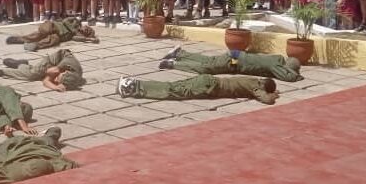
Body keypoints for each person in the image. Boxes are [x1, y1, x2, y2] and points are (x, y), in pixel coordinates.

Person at [158, 45, 303, 82]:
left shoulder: (276, 59)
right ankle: (172, 64)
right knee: (206, 69)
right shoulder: (275, 65)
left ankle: (180, 53)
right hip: (234, 61)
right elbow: (288, 77)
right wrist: (297, 75)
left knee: (209, 62)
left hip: (235, 56)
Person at [116, 74, 280, 105]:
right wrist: (273, 95)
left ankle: (132, 85)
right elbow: (267, 100)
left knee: (171, 87)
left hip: (207, 80)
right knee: (170, 91)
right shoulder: (256, 87)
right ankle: (131, 87)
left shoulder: (253, 80)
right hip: (208, 86)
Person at [0, 49, 85, 92]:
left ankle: (21, 64)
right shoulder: (62, 68)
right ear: (65, 72)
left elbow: (48, 81)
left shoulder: (73, 78)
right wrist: (55, 85)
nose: (56, 79)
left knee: (36, 74)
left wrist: (57, 86)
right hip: (53, 61)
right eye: (58, 77)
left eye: (58, 80)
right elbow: (47, 79)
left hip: (58, 65)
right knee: (32, 75)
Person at [5, 16, 99, 52]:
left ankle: (34, 45)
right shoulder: (75, 21)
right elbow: (65, 20)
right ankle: (21, 39)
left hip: (58, 35)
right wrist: (73, 29)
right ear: (86, 26)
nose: (87, 31)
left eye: (88, 33)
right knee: (41, 33)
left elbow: (76, 39)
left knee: (54, 40)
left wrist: (89, 39)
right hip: (54, 26)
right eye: (88, 29)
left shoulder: (78, 35)